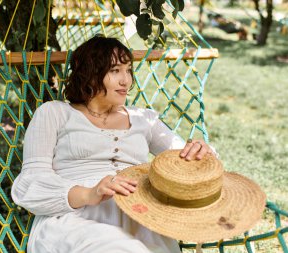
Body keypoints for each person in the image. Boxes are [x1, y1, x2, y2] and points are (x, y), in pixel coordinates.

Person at [11, 36, 214, 253]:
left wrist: (200, 153)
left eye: (128, 70)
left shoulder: (143, 118)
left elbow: (184, 160)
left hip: (141, 219)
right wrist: (90, 193)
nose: (125, 80)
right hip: (74, 221)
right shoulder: (55, 113)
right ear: (89, 74)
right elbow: (29, 185)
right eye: (115, 70)